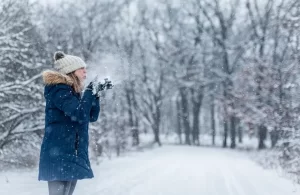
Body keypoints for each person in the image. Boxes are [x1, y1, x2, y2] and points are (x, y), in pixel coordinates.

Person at [38, 51, 100, 195]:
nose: (85, 71)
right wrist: (89, 91)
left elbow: (91, 116)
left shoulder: (72, 92)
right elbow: (79, 114)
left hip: (71, 153)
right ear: (71, 71)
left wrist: (95, 94)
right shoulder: (59, 89)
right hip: (59, 154)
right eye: (81, 68)